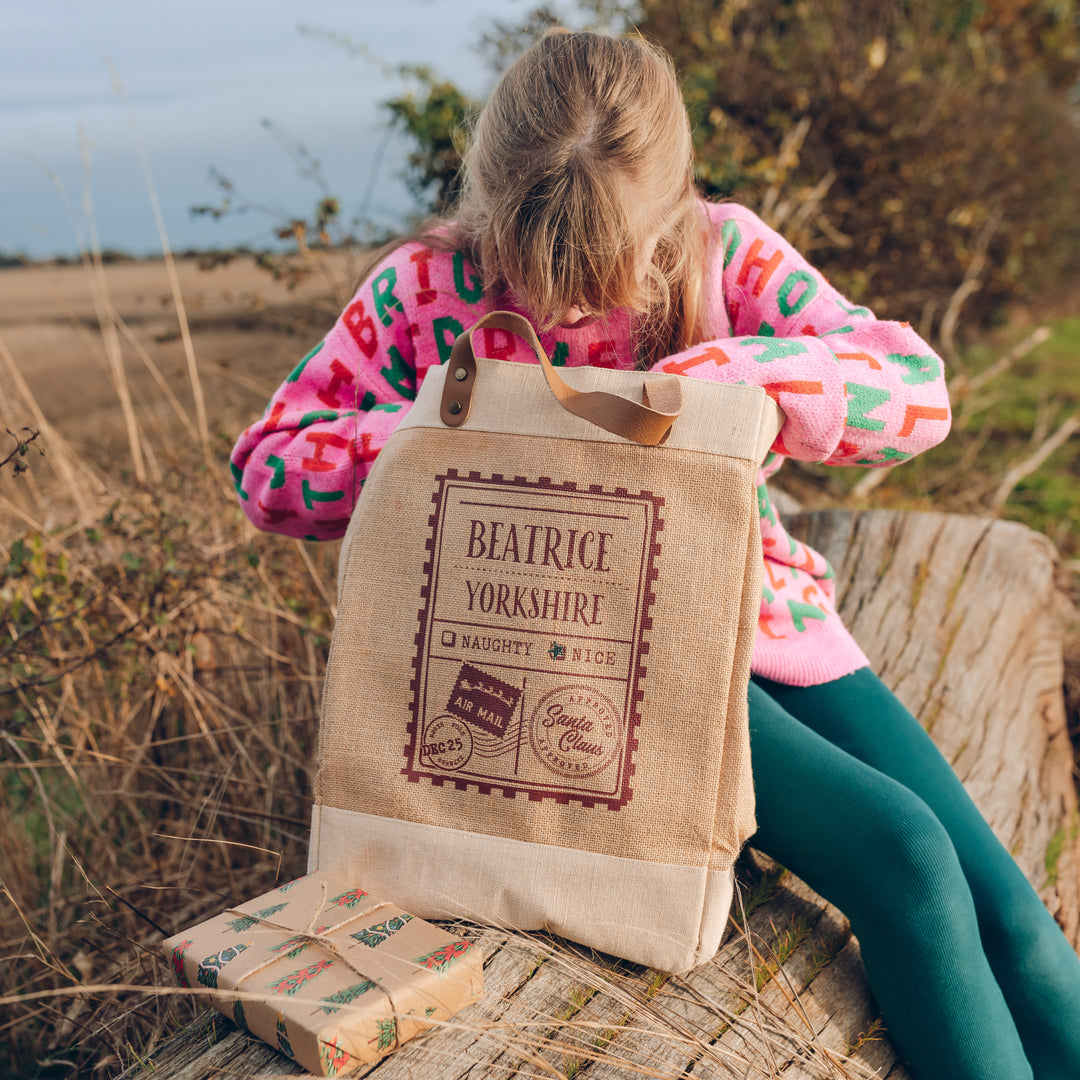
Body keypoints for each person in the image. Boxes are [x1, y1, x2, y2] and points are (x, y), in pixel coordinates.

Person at [230, 28, 1080, 1080]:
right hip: (572, 658)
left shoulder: (726, 250)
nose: (567, 302)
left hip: (764, 617)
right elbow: (269, 469)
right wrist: (440, 433)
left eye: (602, 268)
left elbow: (916, 388)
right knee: (904, 856)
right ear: (487, 207)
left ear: (676, 206)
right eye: (534, 265)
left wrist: (748, 378)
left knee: (1013, 915)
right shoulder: (421, 289)